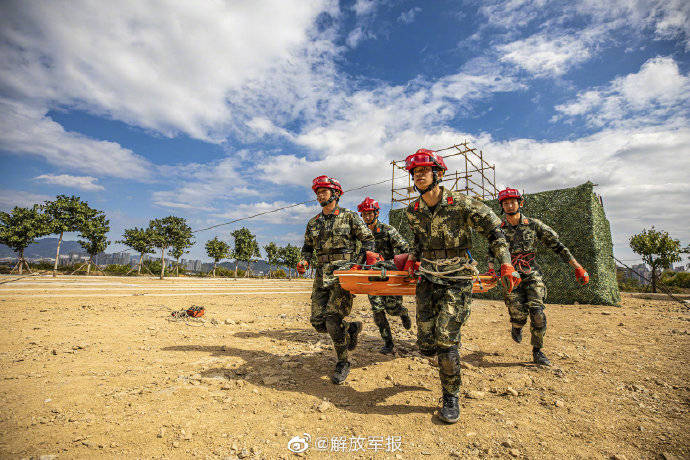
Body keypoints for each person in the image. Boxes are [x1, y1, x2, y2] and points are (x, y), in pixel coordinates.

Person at [404, 149, 520, 424]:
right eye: (415, 172)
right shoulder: (413, 211)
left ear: (438, 174)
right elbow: (418, 241)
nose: (419, 176)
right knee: (426, 344)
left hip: (457, 277)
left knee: (446, 340)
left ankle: (450, 396)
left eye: (424, 171)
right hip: (427, 278)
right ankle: (438, 357)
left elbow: (495, 232)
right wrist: (410, 259)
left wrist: (506, 263)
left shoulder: (464, 204)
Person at [487, 188, 589, 366]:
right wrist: (490, 270)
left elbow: (558, 246)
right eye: (505, 203)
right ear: (501, 206)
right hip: (511, 276)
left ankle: (537, 351)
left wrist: (577, 267)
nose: (509, 205)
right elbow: (491, 251)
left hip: (532, 272)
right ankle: (517, 326)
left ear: (520, 203)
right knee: (518, 314)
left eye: (512, 201)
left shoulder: (534, 225)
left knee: (538, 312)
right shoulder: (498, 230)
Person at [297, 175, 377, 384]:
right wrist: (304, 261)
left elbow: (367, 240)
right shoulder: (313, 223)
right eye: (318, 192)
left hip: (344, 275)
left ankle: (343, 361)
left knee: (332, 319)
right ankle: (350, 329)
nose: (320, 194)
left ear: (336, 194)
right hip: (321, 275)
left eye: (324, 191)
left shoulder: (350, 217)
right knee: (318, 323)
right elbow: (307, 248)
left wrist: (360, 264)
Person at [357, 197, 412, 354]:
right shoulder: (361, 235)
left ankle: (402, 312)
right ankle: (388, 343)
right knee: (377, 310)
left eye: (369, 213)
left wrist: (388, 263)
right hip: (372, 278)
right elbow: (360, 257)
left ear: (376, 213)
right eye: (364, 214)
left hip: (389, 275)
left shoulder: (388, 230)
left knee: (392, 308)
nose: (367, 217)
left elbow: (405, 249)